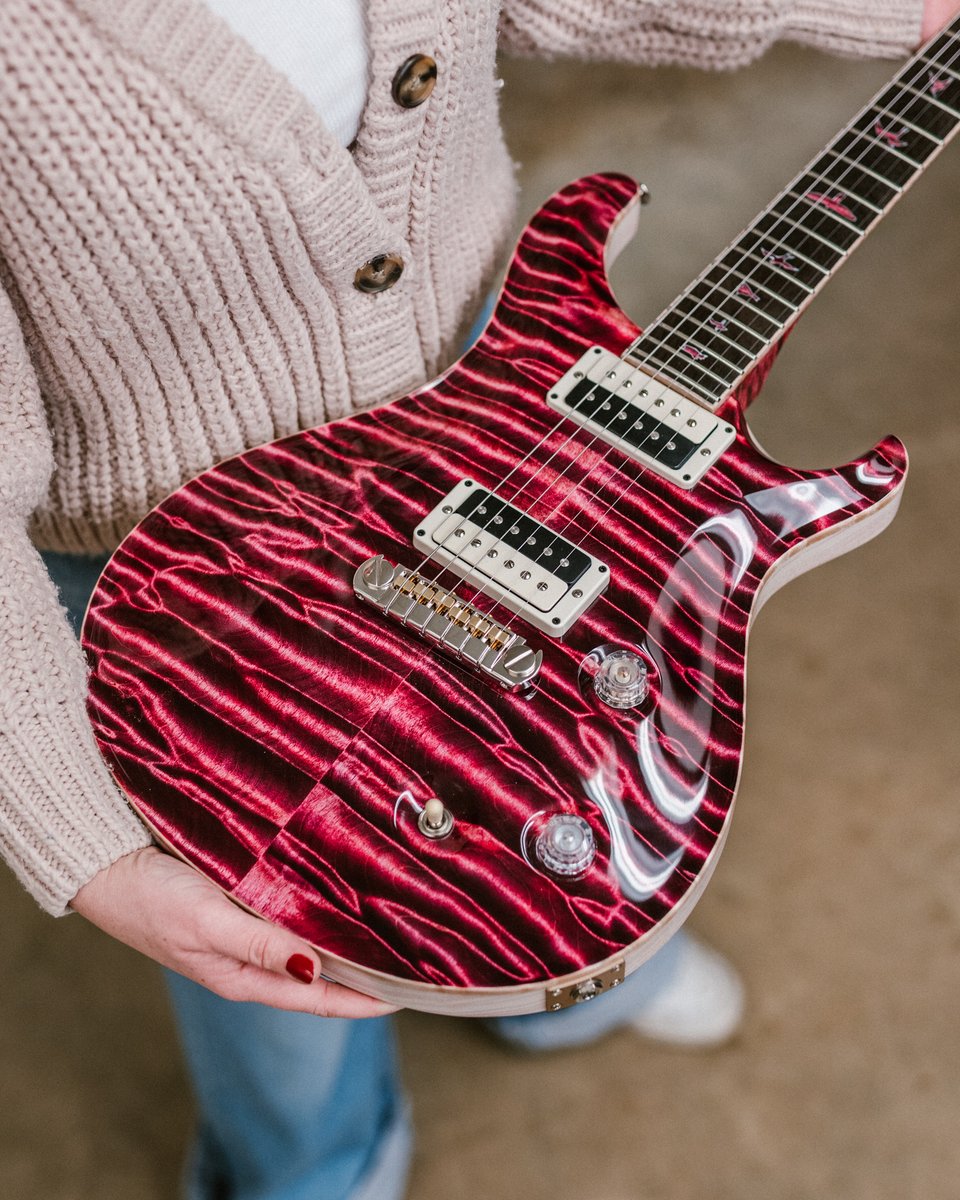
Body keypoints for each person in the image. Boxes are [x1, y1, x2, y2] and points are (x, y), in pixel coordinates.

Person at [1, 2, 956, 1198]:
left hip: (505, 392)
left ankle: (564, 981)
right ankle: (312, 1170)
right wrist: (82, 846)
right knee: (280, 965)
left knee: (589, 793)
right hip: (211, 584)